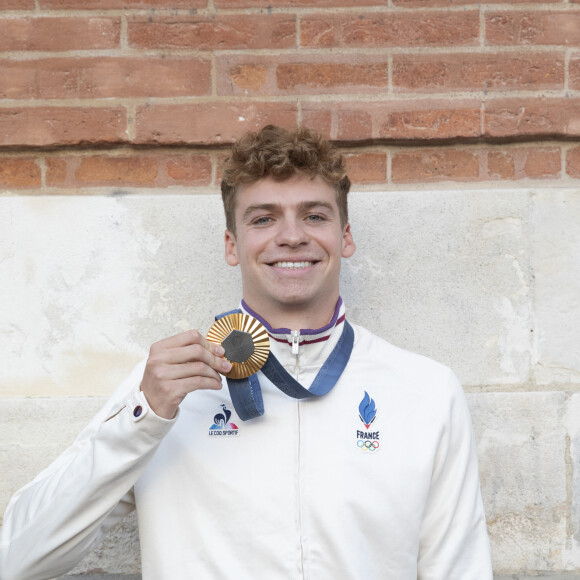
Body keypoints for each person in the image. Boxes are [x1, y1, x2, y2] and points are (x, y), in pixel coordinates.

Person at [0, 125, 492, 579]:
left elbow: (460, 568)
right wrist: (142, 417)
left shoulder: (425, 390)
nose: (292, 235)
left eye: (314, 215)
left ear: (345, 237)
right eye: (264, 218)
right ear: (233, 244)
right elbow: (17, 558)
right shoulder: (167, 388)